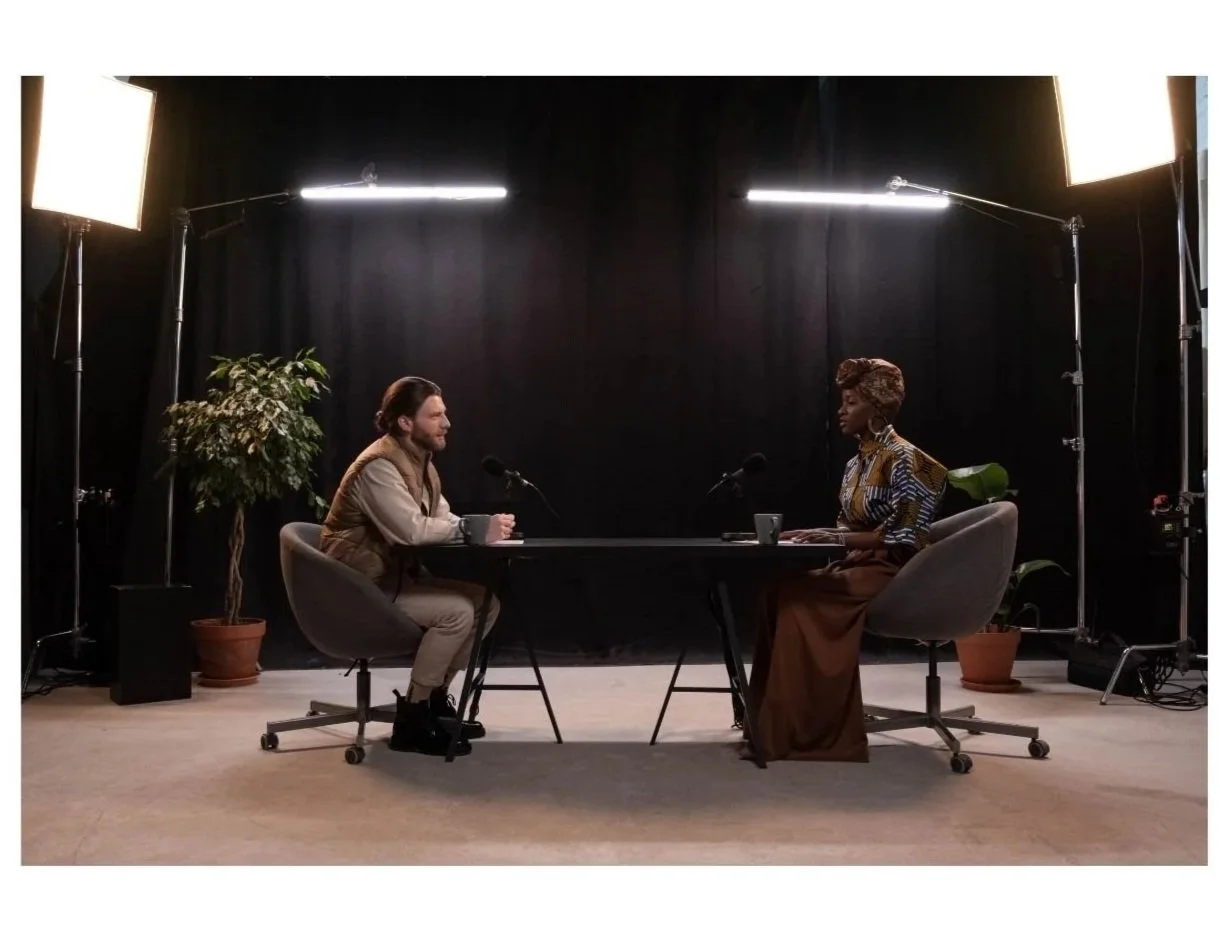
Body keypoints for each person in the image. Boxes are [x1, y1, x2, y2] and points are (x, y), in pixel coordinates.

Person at [745, 358, 947, 762]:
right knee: (776, 590)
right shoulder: (857, 463)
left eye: (851, 401)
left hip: (898, 573)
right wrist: (808, 534)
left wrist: (835, 537)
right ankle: (771, 726)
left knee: (799, 601)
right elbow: (849, 527)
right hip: (858, 563)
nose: (842, 410)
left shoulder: (910, 460)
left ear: (875, 407)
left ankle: (812, 734)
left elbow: (902, 535)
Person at [320, 376, 514, 757]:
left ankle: (435, 701)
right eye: (435, 416)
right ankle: (412, 718)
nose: (446, 424)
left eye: (445, 414)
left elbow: (442, 517)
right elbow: (410, 531)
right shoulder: (378, 466)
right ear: (405, 422)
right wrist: (472, 530)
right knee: (456, 613)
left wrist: (484, 529)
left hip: (390, 581)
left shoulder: (421, 464)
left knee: (485, 603)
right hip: (358, 588)